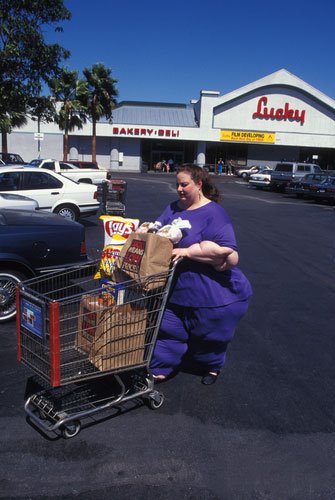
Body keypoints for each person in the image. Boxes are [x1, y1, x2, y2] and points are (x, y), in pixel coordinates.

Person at [150, 164, 252, 385]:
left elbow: (228, 251)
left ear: (199, 184)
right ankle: (161, 366)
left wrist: (189, 251)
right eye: (177, 184)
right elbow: (157, 228)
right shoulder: (173, 208)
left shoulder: (214, 213)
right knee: (167, 328)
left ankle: (211, 364)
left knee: (209, 333)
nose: (179, 188)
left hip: (208, 290)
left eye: (184, 184)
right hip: (174, 288)